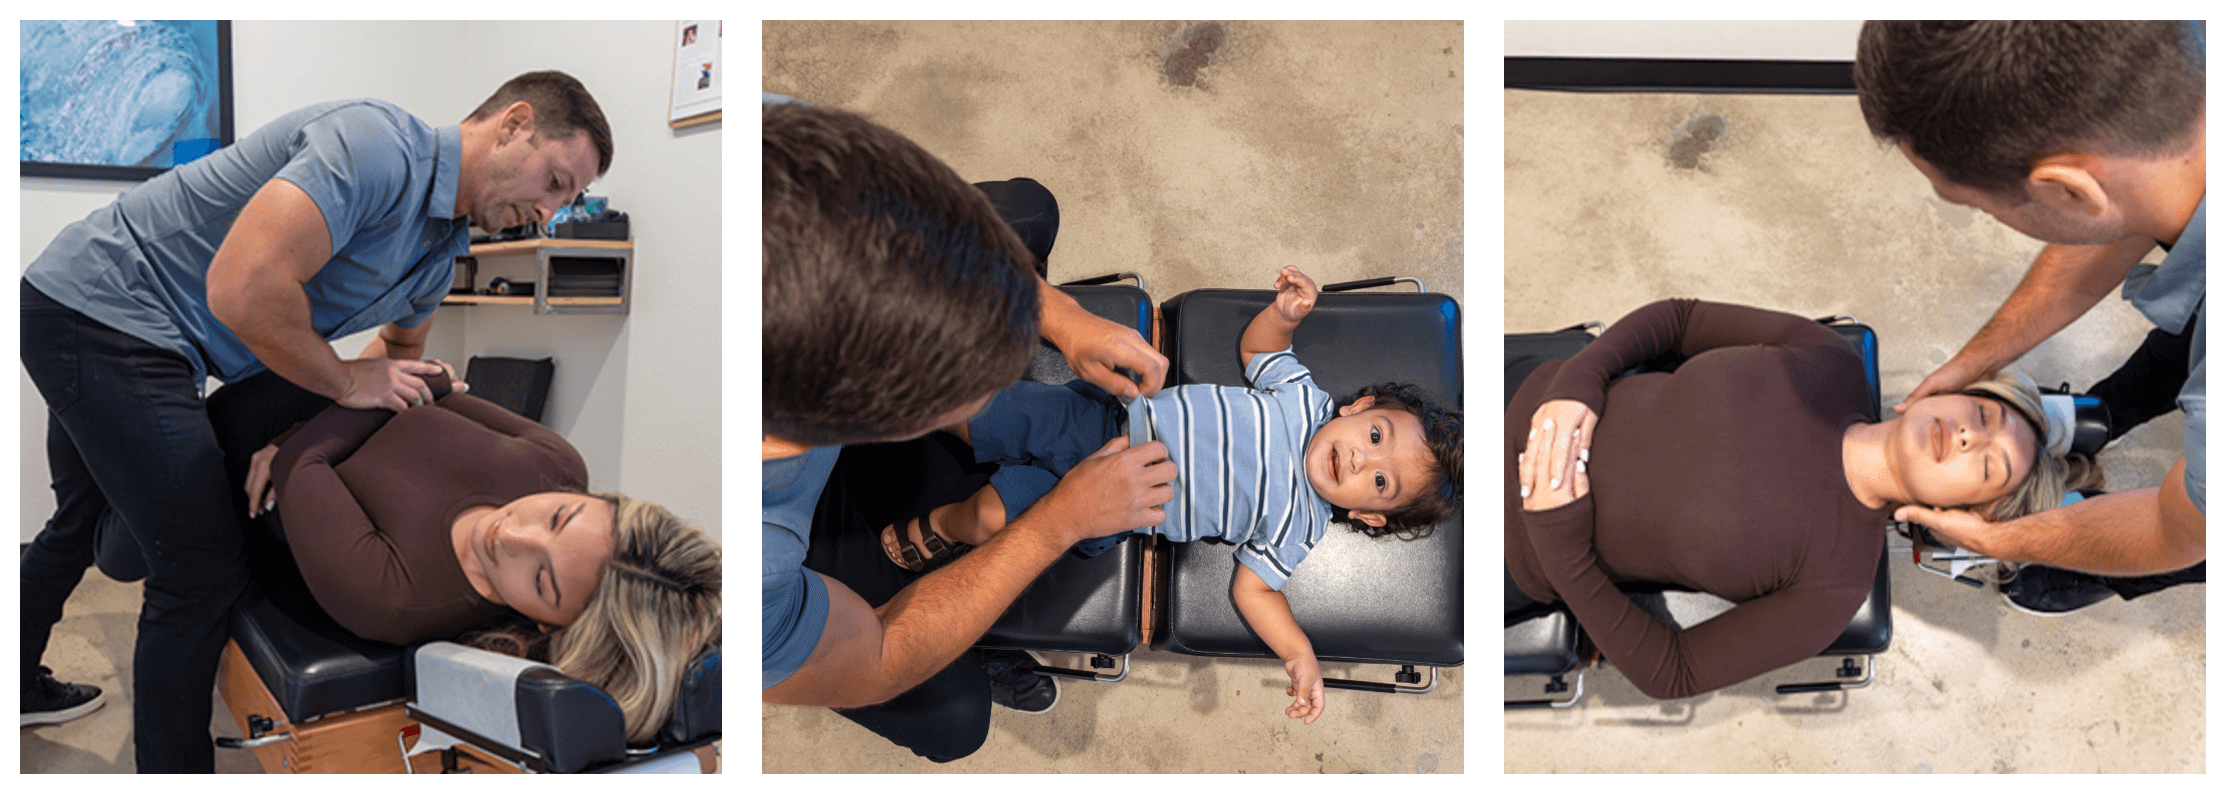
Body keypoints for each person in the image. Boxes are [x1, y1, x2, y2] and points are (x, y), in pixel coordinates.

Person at [19, 71, 611, 771]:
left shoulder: (437, 255)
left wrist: (303, 432)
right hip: (100, 308)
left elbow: (397, 358)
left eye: (567, 202)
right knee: (200, 569)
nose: (547, 213)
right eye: (554, 182)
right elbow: (242, 289)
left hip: (154, 339)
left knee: (79, 522)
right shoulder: (375, 145)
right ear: (513, 125)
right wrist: (342, 383)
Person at [762, 97, 1177, 761]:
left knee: (1025, 210)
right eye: (964, 393)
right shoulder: (745, 574)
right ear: (879, 424)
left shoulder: (782, 149)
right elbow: (878, 659)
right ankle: (971, 627)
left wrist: (1063, 317)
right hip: (802, 540)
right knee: (954, 721)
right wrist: (1060, 522)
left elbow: (919, 228)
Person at [878, 265, 1464, 725]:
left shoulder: (1300, 526)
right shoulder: (1302, 398)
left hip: (1108, 508)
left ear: (1367, 514)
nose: (1361, 460)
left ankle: (945, 527)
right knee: (983, 410)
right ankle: (889, 399)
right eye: (1376, 436)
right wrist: (1283, 316)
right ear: (1359, 408)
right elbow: (1259, 351)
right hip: (1100, 421)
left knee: (989, 518)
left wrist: (1298, 651)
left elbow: (1255, 589)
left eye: (1380, 483)